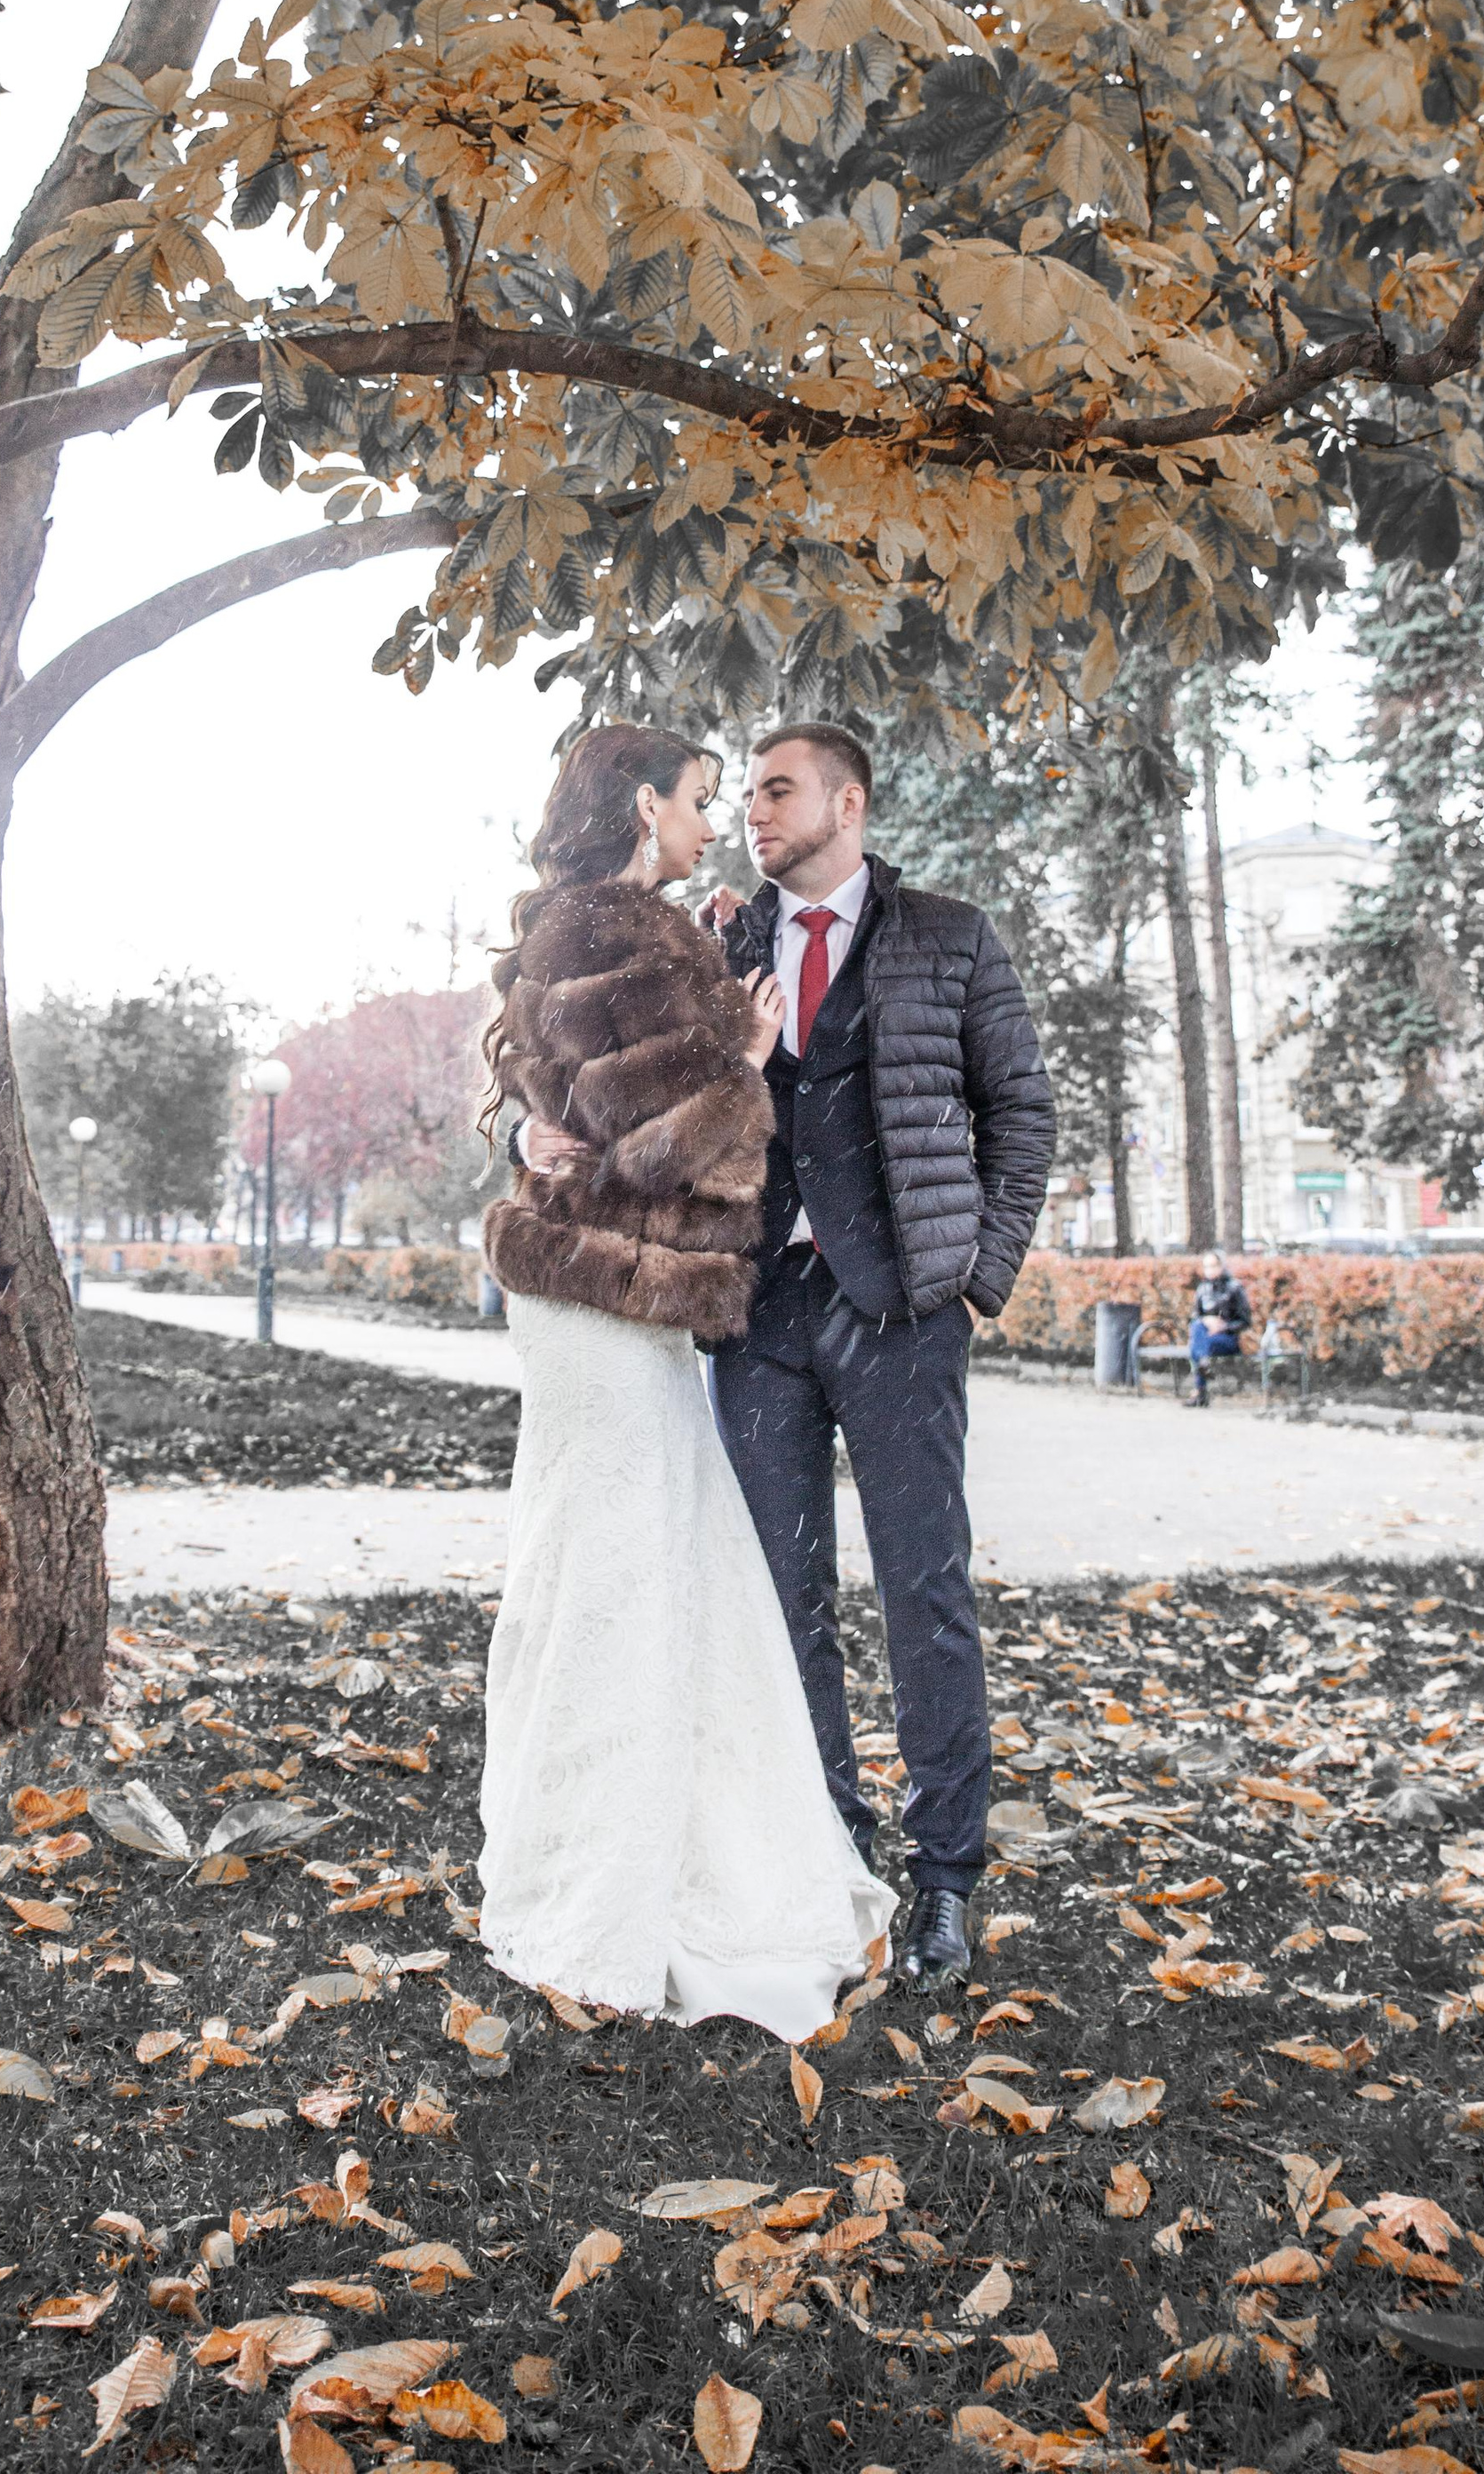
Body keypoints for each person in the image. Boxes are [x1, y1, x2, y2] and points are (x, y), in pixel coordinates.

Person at [529, 722, 1056, 1984]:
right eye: (742, 794)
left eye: (777, 790)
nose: (754, 813)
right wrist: (529, 1151)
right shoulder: (717, 940)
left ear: (849, 802)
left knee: (927, 1596)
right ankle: (829, 1849)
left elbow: (1021, 1109)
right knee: (780, 1602)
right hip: (757, 1317)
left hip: (901, 1316)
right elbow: (607, 1084)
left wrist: (977, 1274)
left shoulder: (949, 936)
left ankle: (944, 1881)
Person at [477, 721, 894, 2040]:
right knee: (624, 1576)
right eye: (703, 799)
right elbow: (649, 1141)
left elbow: (556, 1102)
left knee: (625, 1569)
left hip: (601, 1300)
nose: (715, 822)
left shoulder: (595, 920)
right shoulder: (619, 928)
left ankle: (605, 1868)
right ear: (642, 802)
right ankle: (608, 1905)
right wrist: (747, 1065)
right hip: (610, 1299)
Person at [1186, 1254, 1251, 1405]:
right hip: (1205, 1338)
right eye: (1206, 1266)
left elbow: (1245, 1321)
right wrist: (1206, 1321)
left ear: (1221, 1266)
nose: (1210, 1270)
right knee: (1198, 1330)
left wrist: (1224, 1326)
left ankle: (1199, 1392)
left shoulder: (1234, 1288)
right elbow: (1195, 1316)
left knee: (1199, 1346)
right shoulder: (1203, 1288)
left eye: (1213, 1266)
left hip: (1227, 1338)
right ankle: (1204, 1365)